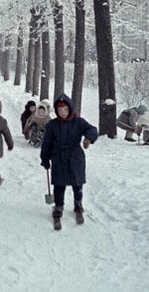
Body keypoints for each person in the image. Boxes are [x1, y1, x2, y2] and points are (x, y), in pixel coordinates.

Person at [40, 93, 98, 228]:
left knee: (77, 183)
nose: (63, 112)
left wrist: (88, 139)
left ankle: (78, 205)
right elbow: (47, 143)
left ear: (70, 108)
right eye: (60, 110)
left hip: (75, 156)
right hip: (58, 157)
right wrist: (45, 159)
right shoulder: (52, 124)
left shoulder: (78, 122)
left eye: (65, 109)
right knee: (59, 185)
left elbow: (92, 129)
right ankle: (58, 207)